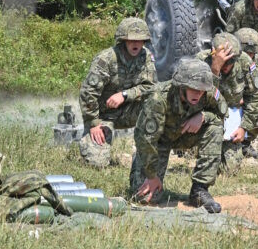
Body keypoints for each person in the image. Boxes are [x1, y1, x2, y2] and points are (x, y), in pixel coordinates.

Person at [129, 59, 224, 213]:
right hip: (159, 141)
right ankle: (141, 161)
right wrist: (151, 175)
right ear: (181, 86)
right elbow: (145, 138)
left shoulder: (208, 93)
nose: (198, 94)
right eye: (193, 89)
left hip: (186, 135)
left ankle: (199, 190)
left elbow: (222, 114)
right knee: (144, 198)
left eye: (201, 90)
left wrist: (203, 116)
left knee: (215, 128)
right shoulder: (158, 98)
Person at [79, 17, 157, 167]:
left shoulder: (146, 56)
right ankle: (89, 141)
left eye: (140, 40)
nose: (136, 43)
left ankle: (148, 150)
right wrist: (94, 123)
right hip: (103, 117)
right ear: (123, 40)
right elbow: (88, 93)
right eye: (131, 40)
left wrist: (125, 95)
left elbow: (150, 86)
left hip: (129, 111)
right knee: (97, 163)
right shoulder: (106, 59)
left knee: (155, 102)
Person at [197, 31, 258, 165]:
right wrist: (215, 70)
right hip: (206, 118)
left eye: (230, 62)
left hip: (231, 120)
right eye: (223, 62)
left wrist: (244, 128)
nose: (226, 66)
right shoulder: (200, 61)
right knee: (206, 163)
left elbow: (254, 96)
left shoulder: (245, 62)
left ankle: (243, 144)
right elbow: (198, 98)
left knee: (230, 168)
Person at [233, 27, 258, 155]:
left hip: (247, 99)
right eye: (246, 53)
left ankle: (245, 143)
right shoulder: (227, 57)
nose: (249, 57)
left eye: (252, 54)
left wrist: (248, 100)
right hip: (228, 100)